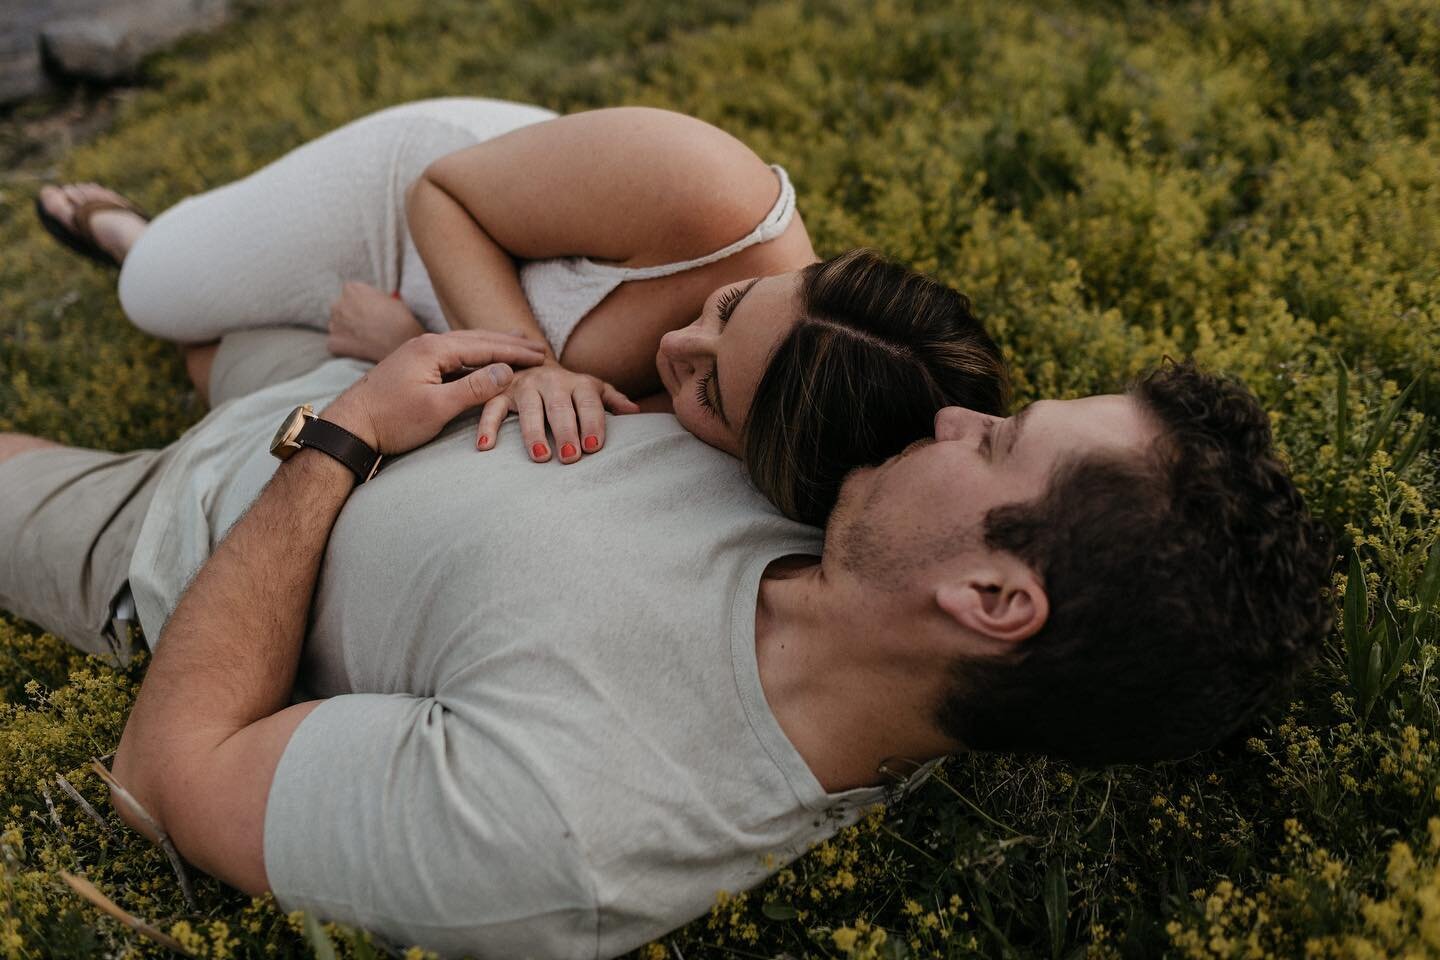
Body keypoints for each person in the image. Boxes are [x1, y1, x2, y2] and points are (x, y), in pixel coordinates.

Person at [0, 309, 1331, 956]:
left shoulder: (571, 828)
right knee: (195, 299)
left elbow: (166, 775)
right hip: (396, 355)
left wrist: (340, 443)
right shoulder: (844, 503)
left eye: (994, 443)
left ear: (993, 601)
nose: (946, 423)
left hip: (188, 525)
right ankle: (154, 273)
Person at [35, 98, 1010, 525]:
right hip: (420, 198)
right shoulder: (707, 184)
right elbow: (441, 195)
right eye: (727, 303)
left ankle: (245, 327)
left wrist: (418, 344)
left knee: (222, 359)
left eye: (708, 387)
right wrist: (533, 364)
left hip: (442, 300)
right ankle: (129, 228)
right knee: (154, 293)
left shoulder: (785, 429)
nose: (678, 345)